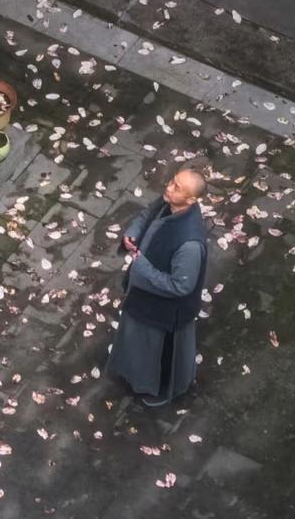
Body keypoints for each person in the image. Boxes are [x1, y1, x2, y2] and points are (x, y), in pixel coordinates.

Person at [105, 165, 209, 409]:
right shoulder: (169, 204)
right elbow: (147, 215)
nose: (168, 187)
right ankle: (133, 373)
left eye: (176, 187)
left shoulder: (190, 244)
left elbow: (181, 286)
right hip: (145, 296)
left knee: (158, 355)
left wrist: (140, 267)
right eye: (172, 181)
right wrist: (133, 232)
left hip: (164, 313)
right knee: (137, 342)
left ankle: (162, 389)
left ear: (191, 200)